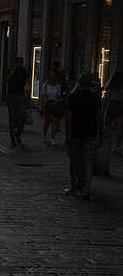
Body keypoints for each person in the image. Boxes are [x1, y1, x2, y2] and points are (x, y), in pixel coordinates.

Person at [65, 71, 103, 199]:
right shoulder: (95, 98)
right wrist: (101, 135)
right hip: (90, 133)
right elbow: (99, 118)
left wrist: (67, 135)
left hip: (76, 132)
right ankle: (86, 188)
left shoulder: (74, 97)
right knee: (88, 161)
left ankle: (73, 187)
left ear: (79, 83)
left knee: (74, 160)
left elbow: (69, 117)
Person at [6, 56, 28, 145]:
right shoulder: (10, 70)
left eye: (21, 63)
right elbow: (7, 78)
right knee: (12, 117)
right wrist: (14, 69)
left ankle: (18, 132)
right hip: (12, 95)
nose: (20, 65)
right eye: (18, 63)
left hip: (21, 95)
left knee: (23, 115)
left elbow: (27, 81)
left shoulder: (23, 71)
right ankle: (12, 138)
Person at [103, 70, 123, 154]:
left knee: (107, 126)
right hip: (121, 107)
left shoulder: (110, 86)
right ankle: (118, 147)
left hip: (112, 106)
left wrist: (103, 109)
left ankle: (106, 144)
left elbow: (106, 100)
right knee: (119, 128)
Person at [41, 71, 62, 145]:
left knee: (55, 121)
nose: (52, 77)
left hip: (55, 104)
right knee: (47, 122)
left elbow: (59, 96)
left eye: (53, 75)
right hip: (48, 104)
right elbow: (42, 97)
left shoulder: (58, 86)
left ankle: (52, 138)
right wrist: (42, 107)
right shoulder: (45, 86)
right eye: (51, 75)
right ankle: (44, 134)